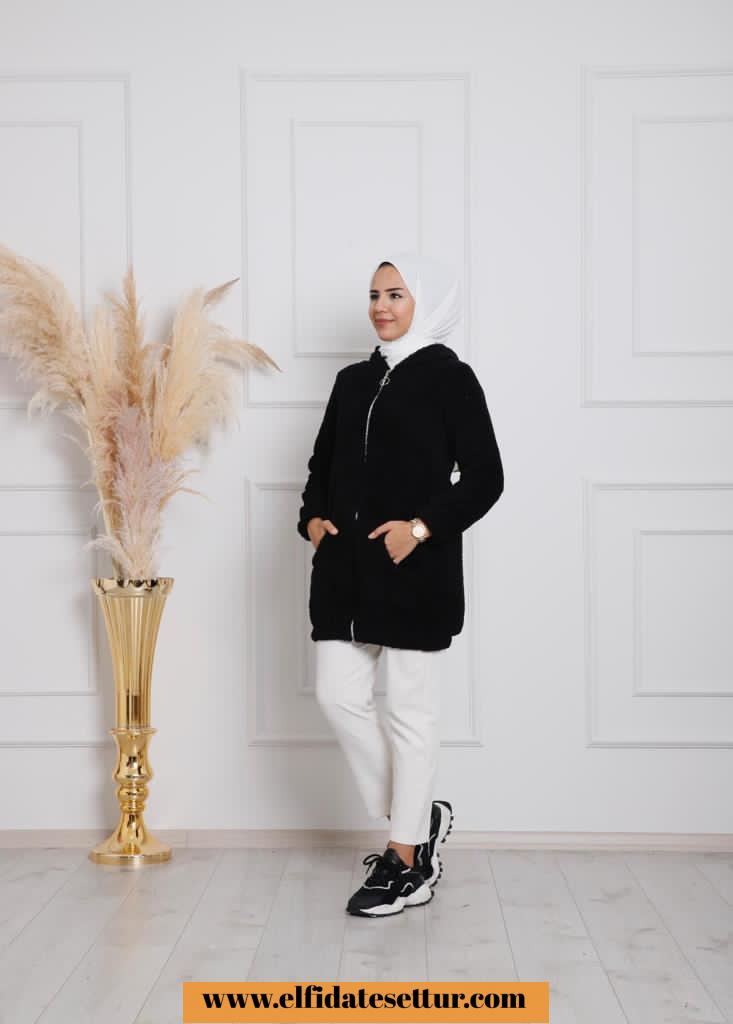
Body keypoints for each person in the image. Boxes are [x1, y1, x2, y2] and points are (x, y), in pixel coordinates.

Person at [296, 251, 504, 917]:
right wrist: (312, 520)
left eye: (396, 294)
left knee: (410, 715)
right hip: (344, 575)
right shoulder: (352, 381)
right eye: (374, 295)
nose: (381, 306)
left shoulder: (450, 378)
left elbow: (485, 477)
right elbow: (321, 462)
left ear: (426, 302)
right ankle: (416, 820)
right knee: (337, 696)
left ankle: (405, 860)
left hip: (414, 574)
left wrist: (419, 528)